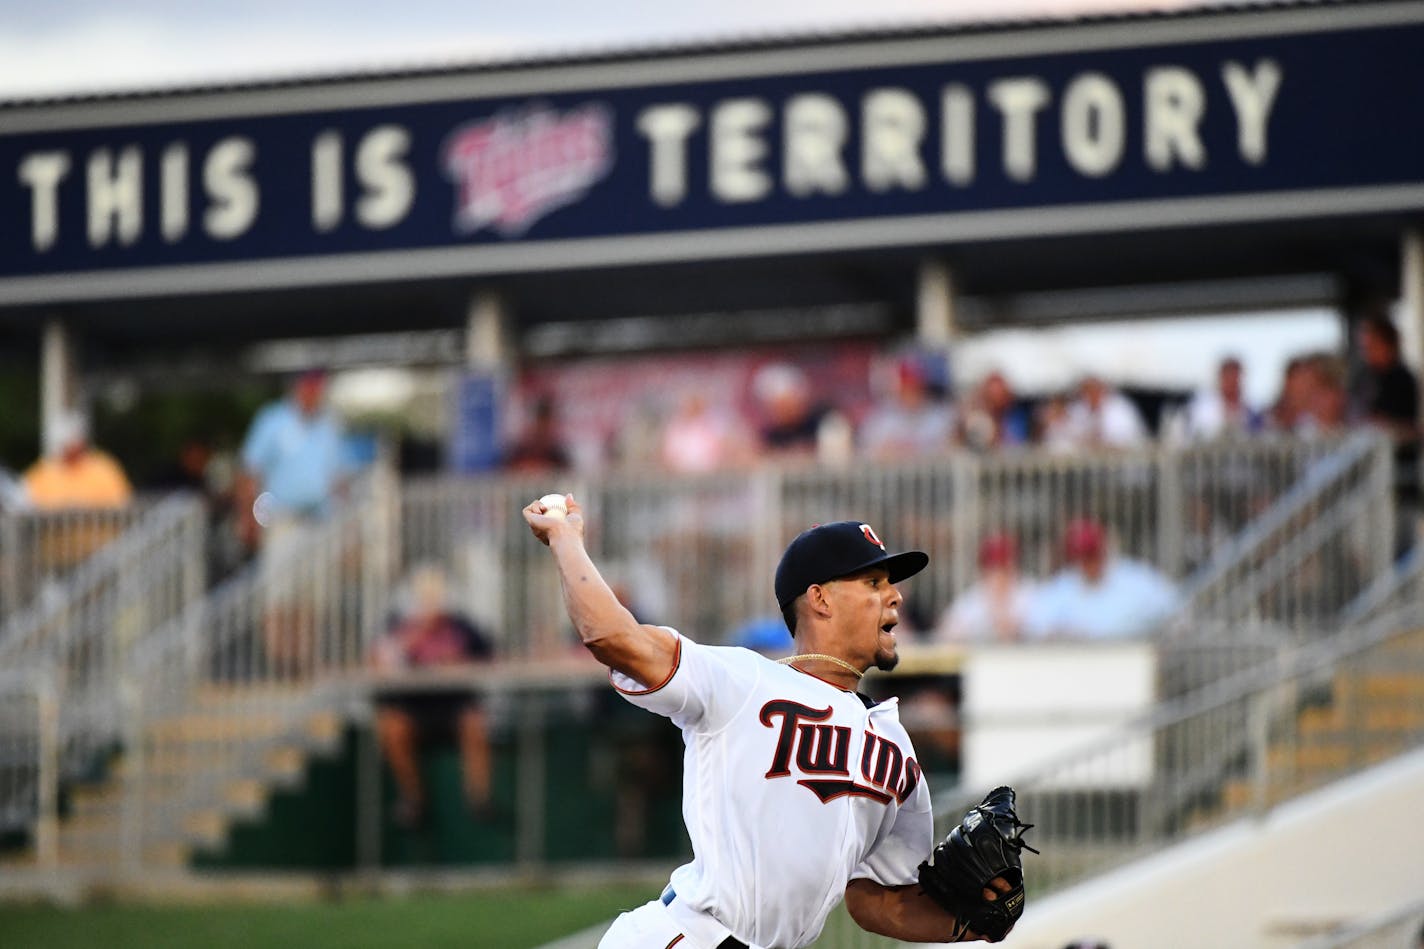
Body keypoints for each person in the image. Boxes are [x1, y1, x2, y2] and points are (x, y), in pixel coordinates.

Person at [523, 499, 1014, 947]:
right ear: (820, 599)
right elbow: (613, 637)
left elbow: (879, 901)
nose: (895, 597)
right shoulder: (741, 681)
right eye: (873, 583)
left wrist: (977, 923)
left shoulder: (894, 747)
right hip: (686, 936)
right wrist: (566, 539)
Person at [238, 370, 353, 674]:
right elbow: (251, 472)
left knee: (312, 599)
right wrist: (251, 519)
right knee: (279, 596)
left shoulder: (330, 424)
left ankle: (305, 664)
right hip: (283, 521)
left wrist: (347, 526)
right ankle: (279, 664)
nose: (314, 393)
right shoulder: (272, 420)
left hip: (320, 523)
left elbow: (340, 478)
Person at [370, 564, 496, 828]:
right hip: (412, 706)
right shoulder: (398, 625)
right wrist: (415, 636)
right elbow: (380, 660)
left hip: (454, 706)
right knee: (392, 728)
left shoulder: (461, 625)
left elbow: (487, 658)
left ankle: (480, 800)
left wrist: (459, 664)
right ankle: (414, 801)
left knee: (475, 723)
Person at [1025, 518, 1179, 640]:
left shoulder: (1138, 580)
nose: (1087, 564)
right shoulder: (1061, 588)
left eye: (1092, 556)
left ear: (1104, 552)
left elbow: (1176, 615)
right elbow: (1035, 626)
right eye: (1081, 558)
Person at [935, 533, 1037, 643]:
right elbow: (946, 634)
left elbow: (1047, 628)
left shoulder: (1030, 592)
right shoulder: (972, 600)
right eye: (992, 568)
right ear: (983, 570)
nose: (998, 574)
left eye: (1003, 567)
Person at [22, 410, 132, 509]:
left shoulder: (104, 469)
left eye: (70, 443)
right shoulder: (43, 471)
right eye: (63, 444)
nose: (67, 449)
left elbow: (122, 504)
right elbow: (24, 502)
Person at [858, 356, 957, 460]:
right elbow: (867, 454)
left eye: (915, 388)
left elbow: (952, 449)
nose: (911, 394)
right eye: (906, 389)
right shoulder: (881, 419)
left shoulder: (941, 417)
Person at [1181, 356, 1263, 440]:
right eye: (1229, 378)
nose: (1232, 383)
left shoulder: (1251, 413)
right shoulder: (1200, 409)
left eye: (1236, 378)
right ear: (1221, 379)